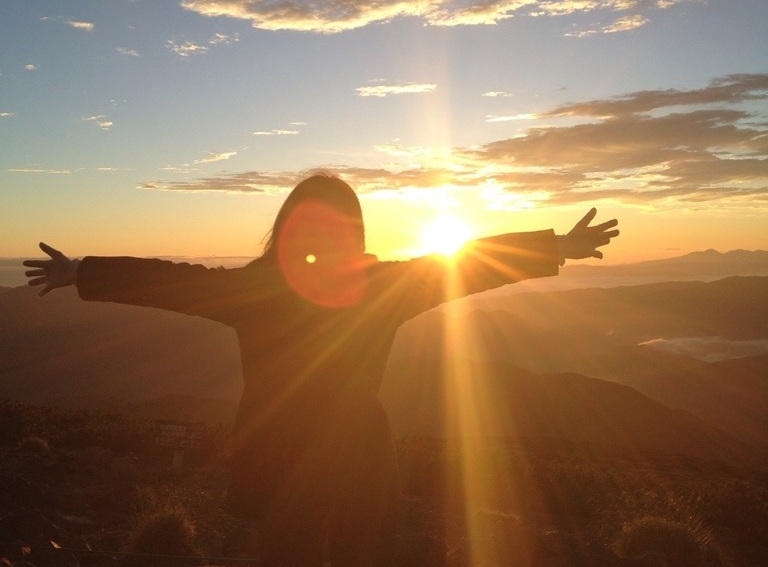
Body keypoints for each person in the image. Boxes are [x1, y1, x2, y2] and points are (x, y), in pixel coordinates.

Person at [24, 173, 619, 566]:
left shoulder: (290, 289)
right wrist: (81, 273)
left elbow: (463, 263)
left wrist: (556, 247)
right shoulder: (371, 288)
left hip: (295, 460)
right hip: (338, 460)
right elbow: (169, 280)